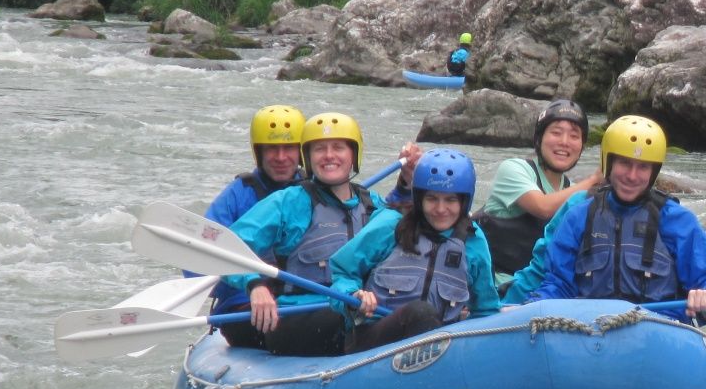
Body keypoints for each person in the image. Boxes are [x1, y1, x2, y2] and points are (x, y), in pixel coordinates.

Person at [219, 112, 423, 355]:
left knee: (419, 313)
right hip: (298, 317)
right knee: (338, 317)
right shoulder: (289, 202)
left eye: (338, 147)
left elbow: (416, 232)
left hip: (358, 313)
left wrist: (409, 181)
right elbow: (225, 247)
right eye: (319, 149)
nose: (328, 155)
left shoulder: (372, 205)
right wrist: (255, 285)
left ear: (354, 155)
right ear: (307, 157)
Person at [523, 115, 706, 323]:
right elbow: (558, 285)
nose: (632, 176)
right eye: (624, 163)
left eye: (643, 167)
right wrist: (531, 307)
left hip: (659, 329)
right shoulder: (579, 217)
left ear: (654, 171)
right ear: (608, 163)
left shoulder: (678, 221)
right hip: (591, 330)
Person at [328, 149, 499, 351]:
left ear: (464, 202)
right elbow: (343, 272)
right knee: (420, 312)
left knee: (426, 317)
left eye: (450, 200)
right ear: (419, 198)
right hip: (374, 340)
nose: (440, 209)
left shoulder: (473, 240)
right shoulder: (391, 224)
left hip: (441, 347)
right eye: (432, 198)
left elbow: (486, 310)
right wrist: (353, 296)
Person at [201, 105, 306, 343]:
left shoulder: (316, 191)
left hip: (301, 301)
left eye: (289, 148)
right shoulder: (236, 196)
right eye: (272, 149)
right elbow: (204, 256)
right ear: (258, 152)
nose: (281, 157)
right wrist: (252, 285)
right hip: (243, 306)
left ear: (301, 151)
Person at [475, 99, 600, 294]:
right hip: (498, 289)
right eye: (556, 132)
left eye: (574, 136)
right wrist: (594, 180)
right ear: (539, 139)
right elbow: (543, 207)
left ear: (582, 146)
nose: (564, 142)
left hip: (545, 290)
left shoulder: (574, 190)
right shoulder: (514, 169)